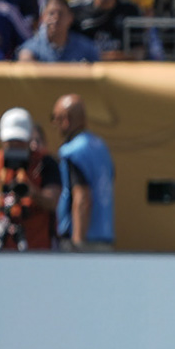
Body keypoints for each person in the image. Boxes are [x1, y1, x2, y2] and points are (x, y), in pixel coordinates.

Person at [0, 107, 61, 252]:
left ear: (28, 138)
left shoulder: (45, 163)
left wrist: (31, 191)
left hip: (37, 248)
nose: (15, 146)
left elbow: (52, 201)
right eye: (10, 141)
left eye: (19, 141)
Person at [52, 94, 113, 251]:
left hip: (83, 240)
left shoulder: (74, 151)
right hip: (104, 237)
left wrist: (78, 242)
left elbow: (82, 197)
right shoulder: (100, 147)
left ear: (66, 119)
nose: (54, 124)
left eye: (56, 118)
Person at [17, 0, 101, 63]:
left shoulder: (86, 48)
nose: (56, 18)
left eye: (60, 14)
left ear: (70, 18)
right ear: (43, 17)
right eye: (51, 13)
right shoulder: (32, 49)